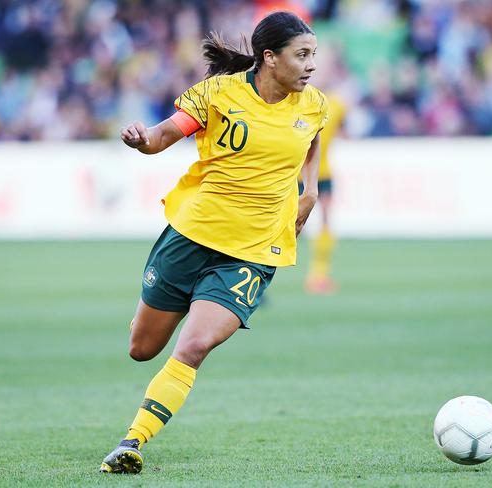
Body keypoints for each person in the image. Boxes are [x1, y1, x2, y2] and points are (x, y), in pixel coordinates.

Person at [100, 11, 328, 474]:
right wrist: (142, 140)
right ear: (269, 57)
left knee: (195, 344)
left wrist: (311, 193)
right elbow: (164, 135)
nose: (310, 66)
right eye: (301, 55)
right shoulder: (219, 94)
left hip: (252, 253)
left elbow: (310, 152)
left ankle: (132, 441)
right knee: (142, 349)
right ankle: (176, 296)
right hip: (192, 236)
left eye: (313, 56)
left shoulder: (314, 106)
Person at [302, 91, 345, 294]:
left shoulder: (338, 105)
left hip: (324, 172)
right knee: (291, 225)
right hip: (300, 174)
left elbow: (343, 130)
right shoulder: (299, 100)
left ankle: (320, 274)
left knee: (326, 221)